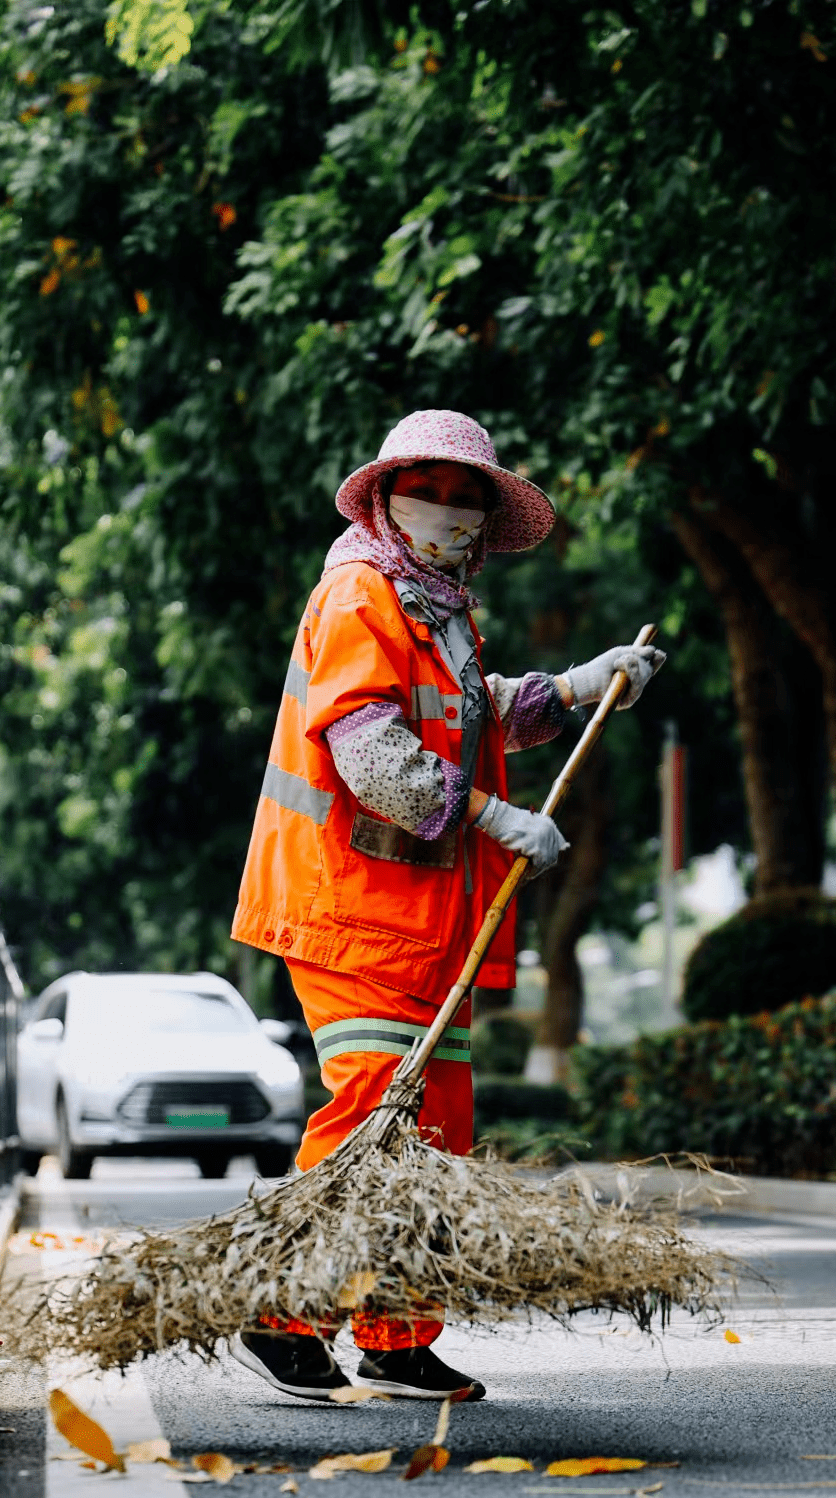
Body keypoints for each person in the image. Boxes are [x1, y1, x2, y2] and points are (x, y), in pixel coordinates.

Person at [230, 410, 665, 1402]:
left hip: (427, 921)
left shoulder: (440, 610)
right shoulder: (359, 594)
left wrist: (584, 686)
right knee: (370, 1118)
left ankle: (393, 1337)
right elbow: (373, 757)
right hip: (350, 909)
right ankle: (280, 1312)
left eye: (471, 498)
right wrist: (496, 820)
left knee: (431, 1134)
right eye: (434, 490)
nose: (453, 511)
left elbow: (476, 718)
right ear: (387, 495)